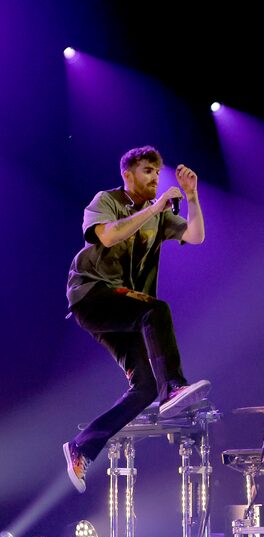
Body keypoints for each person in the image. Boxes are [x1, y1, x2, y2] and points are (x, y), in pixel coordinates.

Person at [63, 145, 210, 493]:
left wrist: (192, 197)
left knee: (144, 387)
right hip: (93, 294)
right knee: (155, 309)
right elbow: (108, 235)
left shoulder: (158, 214)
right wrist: (156, 208)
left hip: (122, 307)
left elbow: (195, 236)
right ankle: (173, 386)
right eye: (147, 171)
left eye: (158, 172)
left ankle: (82, 446)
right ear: (127, 174)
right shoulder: (107, 200)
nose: (155, 178)